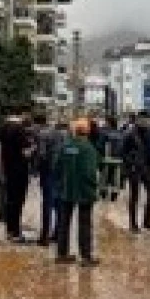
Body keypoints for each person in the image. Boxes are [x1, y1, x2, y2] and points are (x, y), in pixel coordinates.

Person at [54, 119, 100, 267]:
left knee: (63, 223)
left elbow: (56, 167)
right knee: (85, 224)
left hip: (66, 190)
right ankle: (86, 257)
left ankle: (62, 254)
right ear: (87, 132)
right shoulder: (88, 148)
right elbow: (90, 172)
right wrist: (95, 187)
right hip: (84, 191)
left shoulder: (65, 146)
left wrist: (60, 184)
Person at [0, 111, 36, 243]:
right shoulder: (19, 131)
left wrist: (0, 169)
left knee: (10, 201)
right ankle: (15, 232)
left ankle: (9, 230)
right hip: (20, 170)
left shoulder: (3, 129)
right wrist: (33, 149)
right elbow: (25, 153)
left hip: (8, 169)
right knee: (18, 201)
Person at [121, 112, 150, 233]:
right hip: (134, 169)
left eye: (147, 120)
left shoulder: (148, 132)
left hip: (146, 168)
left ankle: (147, 221)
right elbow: (122, 152)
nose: (145, 122)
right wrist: (130, 164)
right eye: (143, 120)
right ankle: (133, 224)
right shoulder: (129, 134)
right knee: (135, 196)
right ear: (137, 120)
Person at [33, 113, 64, 246]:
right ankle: (58, 233)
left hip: (48, 172)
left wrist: (36, 169)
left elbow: (41, 154)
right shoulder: (64, 135)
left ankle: (44, 236)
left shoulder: (43, 134)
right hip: (61, 173)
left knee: (47, 203)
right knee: (59, 203)